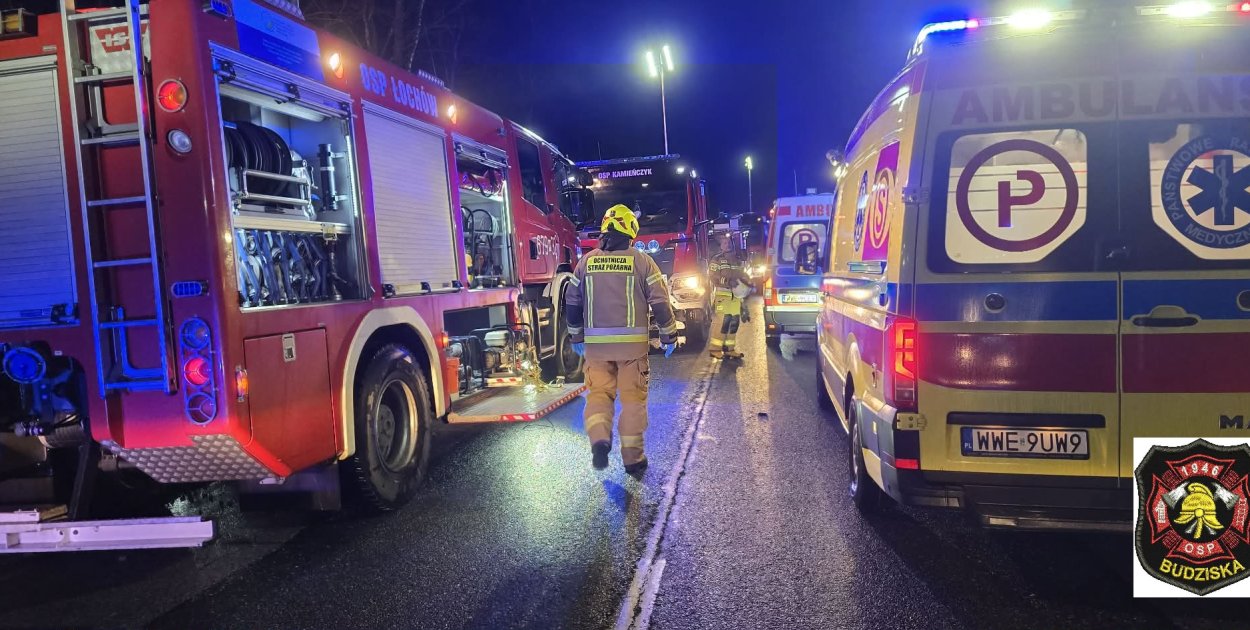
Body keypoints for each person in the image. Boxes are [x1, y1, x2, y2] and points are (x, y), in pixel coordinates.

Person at [565, 204, 678, 474]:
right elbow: (660, 302)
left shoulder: (586, 262)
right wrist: (668, 335)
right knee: (632, 402)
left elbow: (572, 301)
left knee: (599, 397)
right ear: (630, 231)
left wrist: (576, 337)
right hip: (632, 352)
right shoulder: (641, 261)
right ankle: (633, 460)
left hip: (596, 351)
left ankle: (600, 441)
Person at [707, 235, 752, 360]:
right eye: (724, 243)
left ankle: (729, 349)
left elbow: (742, 275)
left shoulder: (737, 260)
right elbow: (713, 276)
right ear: (721, 246)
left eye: (729, 242)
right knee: (721, 323)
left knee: (733, 323)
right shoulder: (717, 260)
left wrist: (746, 285)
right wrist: (728, 281)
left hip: (735, 297)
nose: (727, 245)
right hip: (723, 296)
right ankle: (715, 349)